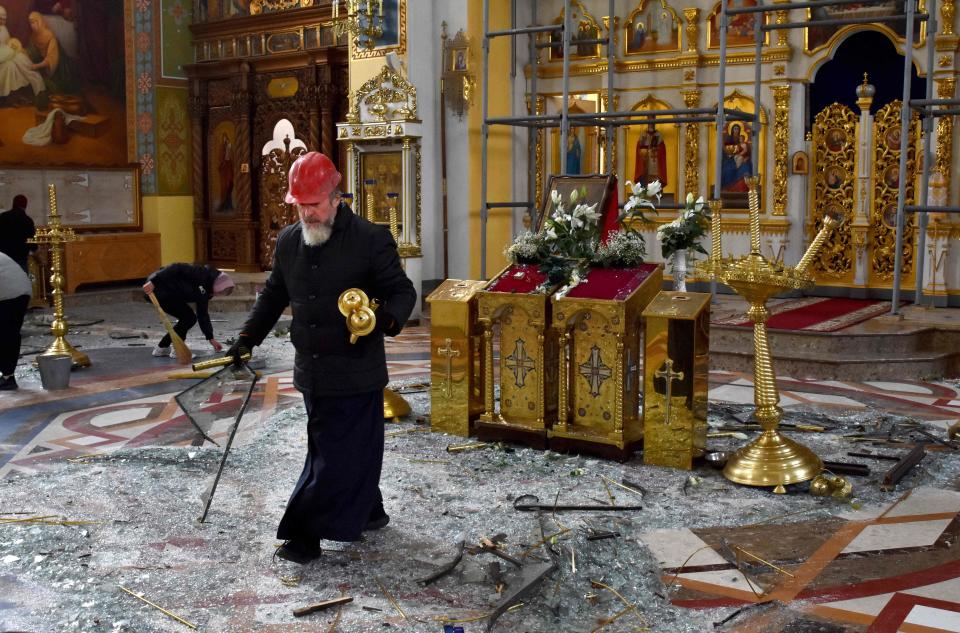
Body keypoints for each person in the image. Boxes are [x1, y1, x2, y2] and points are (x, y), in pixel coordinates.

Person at [226, 151, 416, 565]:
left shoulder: (369, 238)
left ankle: (304, 534)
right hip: (311, 369)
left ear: (336, 195)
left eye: (313, 204)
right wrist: (246, 338)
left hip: (356, 369)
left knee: (332, 454)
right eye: (299, 205)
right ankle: (369, 510)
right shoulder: (290, 240)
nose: (306, 214)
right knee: (341, 447)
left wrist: (383, 319)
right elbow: (276, 293)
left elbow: (402, 292)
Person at [142, 263, 234, 358]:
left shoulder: (207, 289)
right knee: (188, 318)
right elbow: (175, 267)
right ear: (218, 285)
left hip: (172, 293)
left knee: (187, 318)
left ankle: (163, 347)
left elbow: (203, 314)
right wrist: (153, 281)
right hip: (158, 287)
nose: (216, 295)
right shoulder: (199, 272)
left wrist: (211, 338)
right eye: (218, 293)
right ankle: (175, 349)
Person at [0, 251, 31, 391]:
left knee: (7, 335)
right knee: (10, 334)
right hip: (22, 291)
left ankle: (8, 377)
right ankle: (8, 376)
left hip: (8, 294)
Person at [0, 5, 46, 101]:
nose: (1, 21)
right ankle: (10, 96)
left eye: (4, 19)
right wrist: (10, 51)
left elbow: (9, 41)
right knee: (10, 65)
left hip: (7, 53)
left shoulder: (4, 29)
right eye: (0, 18)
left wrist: (15, 47)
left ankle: (19, 93)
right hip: (2, 56)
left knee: (20, 59)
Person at [0, 194, 37, 273]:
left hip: (4, 257)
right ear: (25, 205)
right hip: (20, 258)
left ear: (13, 203)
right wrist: (35, 250)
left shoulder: (3, 217)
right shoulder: (27, 220)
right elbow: (31, 240)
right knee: (21, 281)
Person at [634, 122, 668, 188]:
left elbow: (662, 148)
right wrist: (644, 151)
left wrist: (657, 149)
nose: (651, 125)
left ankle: (656, 190)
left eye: (652, 123)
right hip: (646, 160)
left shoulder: (658, 135)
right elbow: (639, 147)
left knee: (656, 177)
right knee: (645, 176)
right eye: (650, 123)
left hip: (655, 161)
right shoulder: (643, 134)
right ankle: (645, 189)